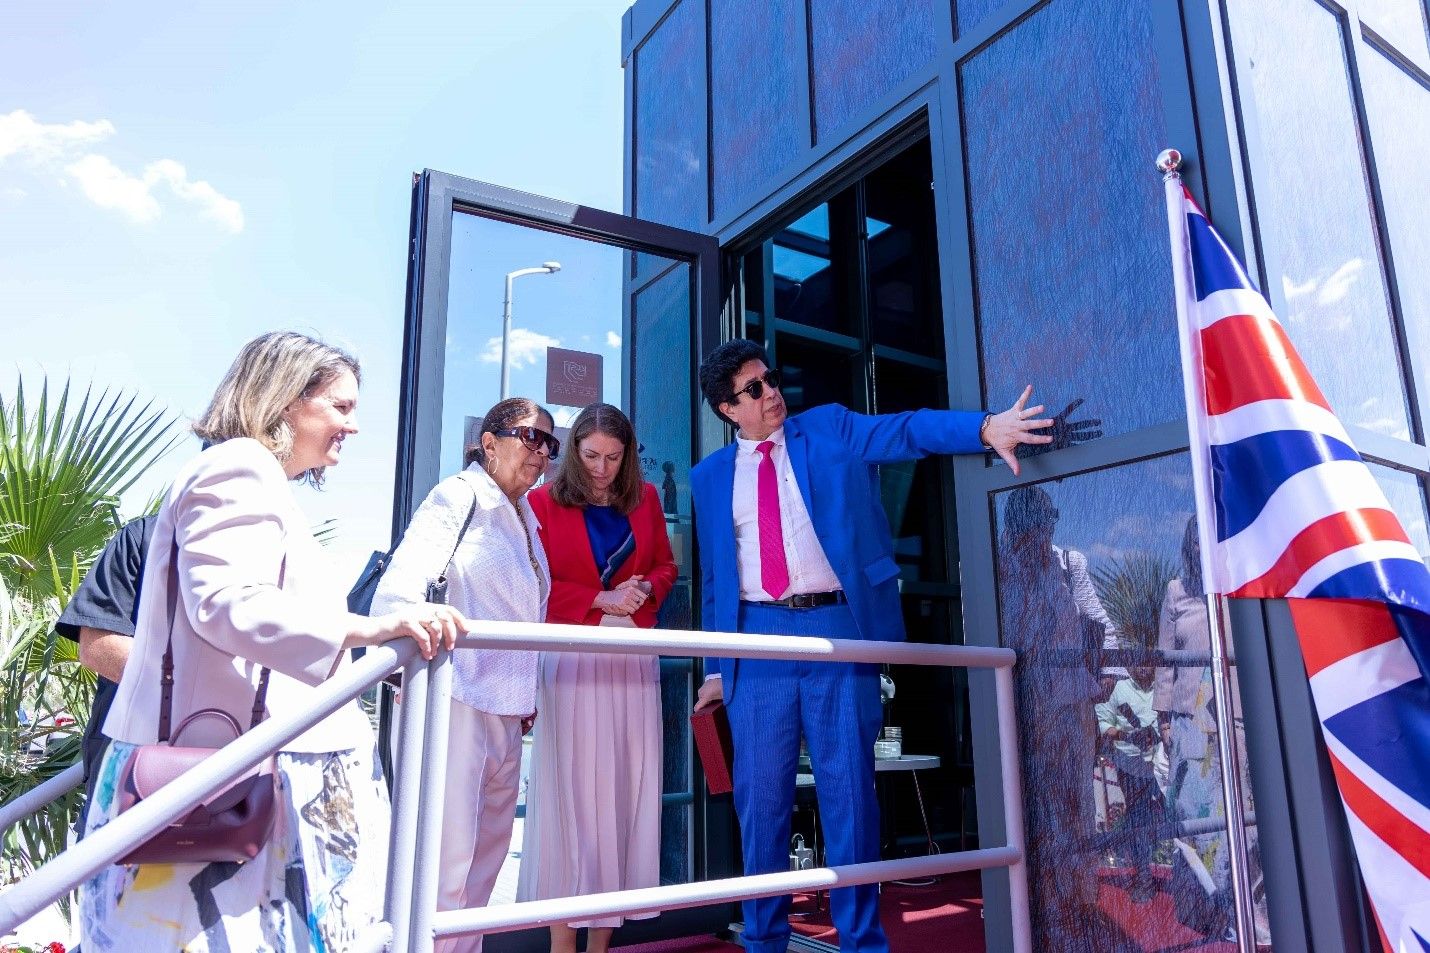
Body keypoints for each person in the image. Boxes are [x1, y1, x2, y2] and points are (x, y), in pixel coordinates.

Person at [81, 331, 462, 952]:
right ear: (287, 400)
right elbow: (226, 602)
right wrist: (367, 629)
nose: (353, 426)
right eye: (341, 406)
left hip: (239, 776)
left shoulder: (254, 476)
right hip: (229, 780)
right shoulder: (240, 467)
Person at [689, 339, 1053, 953]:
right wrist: (717, 667)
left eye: (770, 379)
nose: (771, 392)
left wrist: (985, 428)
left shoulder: (829, 428)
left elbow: (906, 431)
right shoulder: (708, 477)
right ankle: (764, 940)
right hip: (756, 640)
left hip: (837, 628)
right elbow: (716, 580)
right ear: (729, 409)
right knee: (761, 800)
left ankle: (860, 942)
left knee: (850, 794)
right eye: (753, 389)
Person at [373, 396, 555, 953]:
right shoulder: (459, 494)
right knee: (445, 863)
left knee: (484, 866)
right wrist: (413, 643)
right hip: (456, 699)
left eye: (550, 442)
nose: (541, 451)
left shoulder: (525, 517)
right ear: (489, 443)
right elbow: (399, 590)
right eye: (530, 436)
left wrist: (527, 696)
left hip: (508, 709)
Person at [517, 402, 676, 953]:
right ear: (573, 452)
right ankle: (563, 947)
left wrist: (646, 588)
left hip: (632, 655)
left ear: (627, 456)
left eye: (613, 457)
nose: (602, 469)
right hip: (574, 655)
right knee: (571, 798)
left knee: (622, 793)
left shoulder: (647, 498)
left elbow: (666, 565)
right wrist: (598, 598)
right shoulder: (541, 502)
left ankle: (601, 946)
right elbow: (535, 585)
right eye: (591, 456)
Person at [996, 485, 1103, 951]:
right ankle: (1040, 906)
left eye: (1049, 521)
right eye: (1037, 524)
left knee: (1077, 805)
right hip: (1023, 706)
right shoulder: (998, 567)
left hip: (1071, 704)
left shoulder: (1070, 564)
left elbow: (1098, 621)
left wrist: (1104, 677)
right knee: (1036, 806)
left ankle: (1079, 901)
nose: (1045, 533)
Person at [1155, 516, 1270, 946]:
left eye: (1210, 539)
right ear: (1189, 546)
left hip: (1237, 718)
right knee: (1194, 821)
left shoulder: (1242, 584)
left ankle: (1249, 913)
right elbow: (1166, 659)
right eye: (1196, 541)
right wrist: (1164, 717)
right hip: (1190, 725)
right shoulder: (1176, 592)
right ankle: (1206, 907)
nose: (1203, 548)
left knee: (1244, 821)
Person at [54, 515, 155, 811]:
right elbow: (98, 646)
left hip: (245, 771)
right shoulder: (145, 536)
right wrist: (196, 693)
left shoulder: (277, 549)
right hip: (127, 773)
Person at [1095, 663, 1165, 903]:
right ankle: (1144, 876)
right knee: (1138, 819)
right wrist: (1127, 736)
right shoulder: (1118, 689)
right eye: (1138, 661)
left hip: (1167, 765)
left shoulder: (1165, 686)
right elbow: (1104, 723)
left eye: (1148, 661)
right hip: (1131, 768)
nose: (1144, 667)